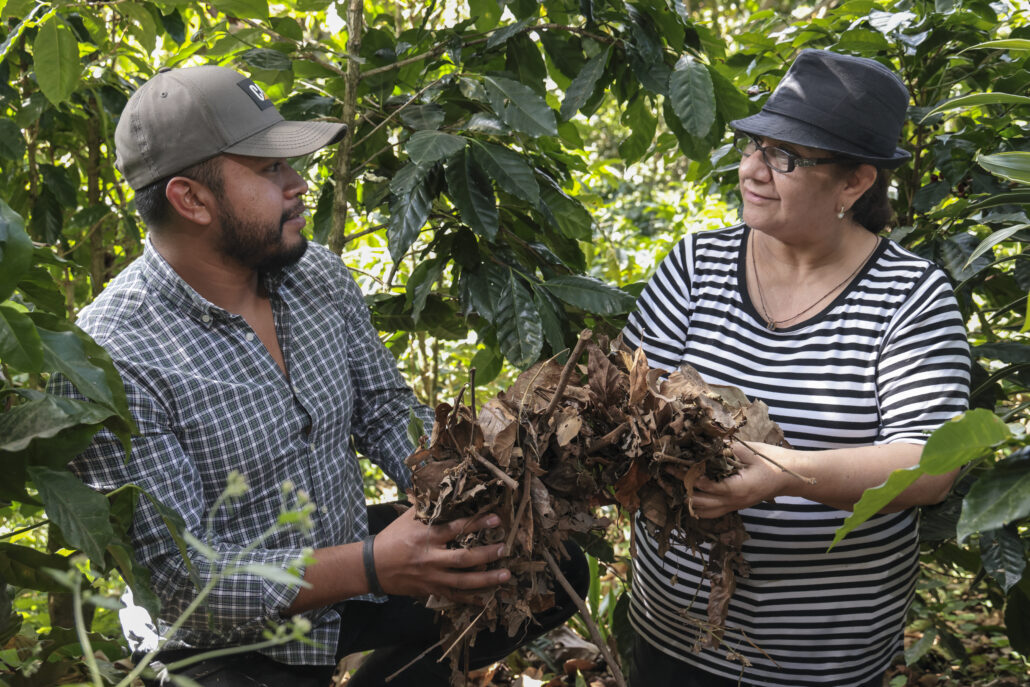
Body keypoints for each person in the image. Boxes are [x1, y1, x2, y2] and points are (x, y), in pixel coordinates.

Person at [56, 65, 586, 686]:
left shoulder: (316, 278)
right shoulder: (109, 357)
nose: (298, 185)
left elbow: (386, 413)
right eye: (268, 169)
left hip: (348, 556)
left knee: (550, 569)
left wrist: (478, 487)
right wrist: (372, 565)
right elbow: (180, 585)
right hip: (224, 638)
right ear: (190, 199)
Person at [622, 49, 971, 687]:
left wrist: (781, 473)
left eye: (786, 158)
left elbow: (930, 465)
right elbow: (626, 401)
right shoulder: (697, 265)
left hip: (813, 658)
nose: (753, 170)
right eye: (756, 145)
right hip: (668, 632)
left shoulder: (909, 296)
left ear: (854, 183)